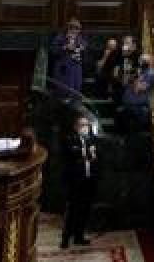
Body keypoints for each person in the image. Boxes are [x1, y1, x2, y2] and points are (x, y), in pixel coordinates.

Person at [60, 115, 99, 248]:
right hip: (74, 182)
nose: (85, 128)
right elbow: (75, 155)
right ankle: (65, 238)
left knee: (85, 209)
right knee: (72, 210)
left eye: (87, 125)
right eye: (82, 125)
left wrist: (88, 155)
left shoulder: (91, 140)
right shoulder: (70, 140)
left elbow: (95, 157)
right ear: (76, 127)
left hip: (88, 180)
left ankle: (79, 236)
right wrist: (86, 154)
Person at [50, 18, 87, 99]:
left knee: (75, 90)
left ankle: (74, 101)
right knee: (63, 90)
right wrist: (65, 47)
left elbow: (84, 48)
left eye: (77, 30)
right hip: (63, 68)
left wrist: (81, 48)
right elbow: (53, 51)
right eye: (73, 29)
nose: (75, 32)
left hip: (76, 68)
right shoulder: (60, 38)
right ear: (69, 29)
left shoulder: (80, 39)